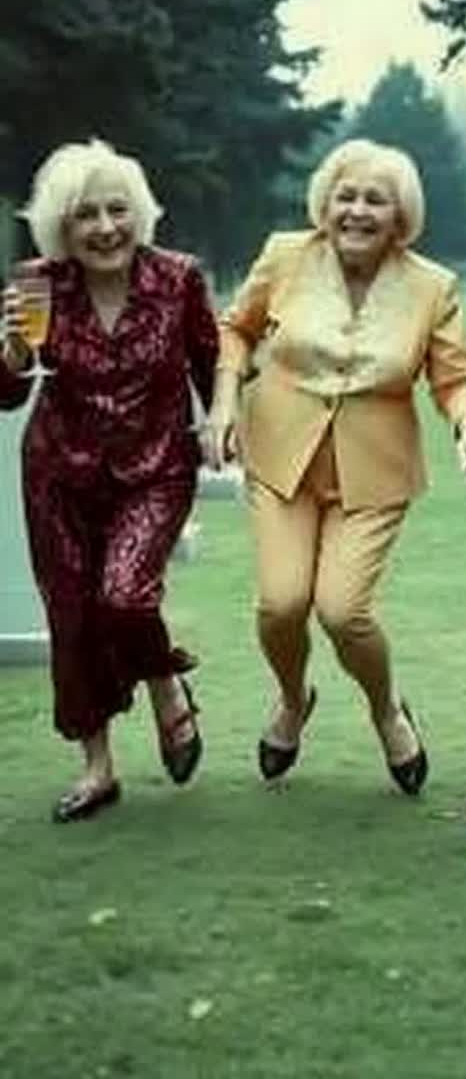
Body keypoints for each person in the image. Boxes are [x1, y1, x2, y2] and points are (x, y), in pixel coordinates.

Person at [202, 137, 466, 795]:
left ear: (400, 216)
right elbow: (236, 328)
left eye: (375, 201)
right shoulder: (285, 255)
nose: (358, 211)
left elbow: (454, 380)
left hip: (374, 471)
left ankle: (387, 710)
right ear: (325, 203)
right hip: (281, 457)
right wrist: (223, 402)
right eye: (347, 196)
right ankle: (291, 699)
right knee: (281, 605)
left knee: (342, 611)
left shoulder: (432, 286)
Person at [0, 138, 219, 822]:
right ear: (60, 226)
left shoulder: (178, 279)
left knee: (124, 598)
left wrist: (225, 424)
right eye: (84, 215)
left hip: (155, 470)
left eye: (116, 210)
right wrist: (12, 351)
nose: (103, 228)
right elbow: (8, 395)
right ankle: (97, 768)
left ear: (139, 212)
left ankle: (164, 680)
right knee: (71, 618)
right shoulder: (36, 283)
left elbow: (213, 366)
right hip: (57, 474)